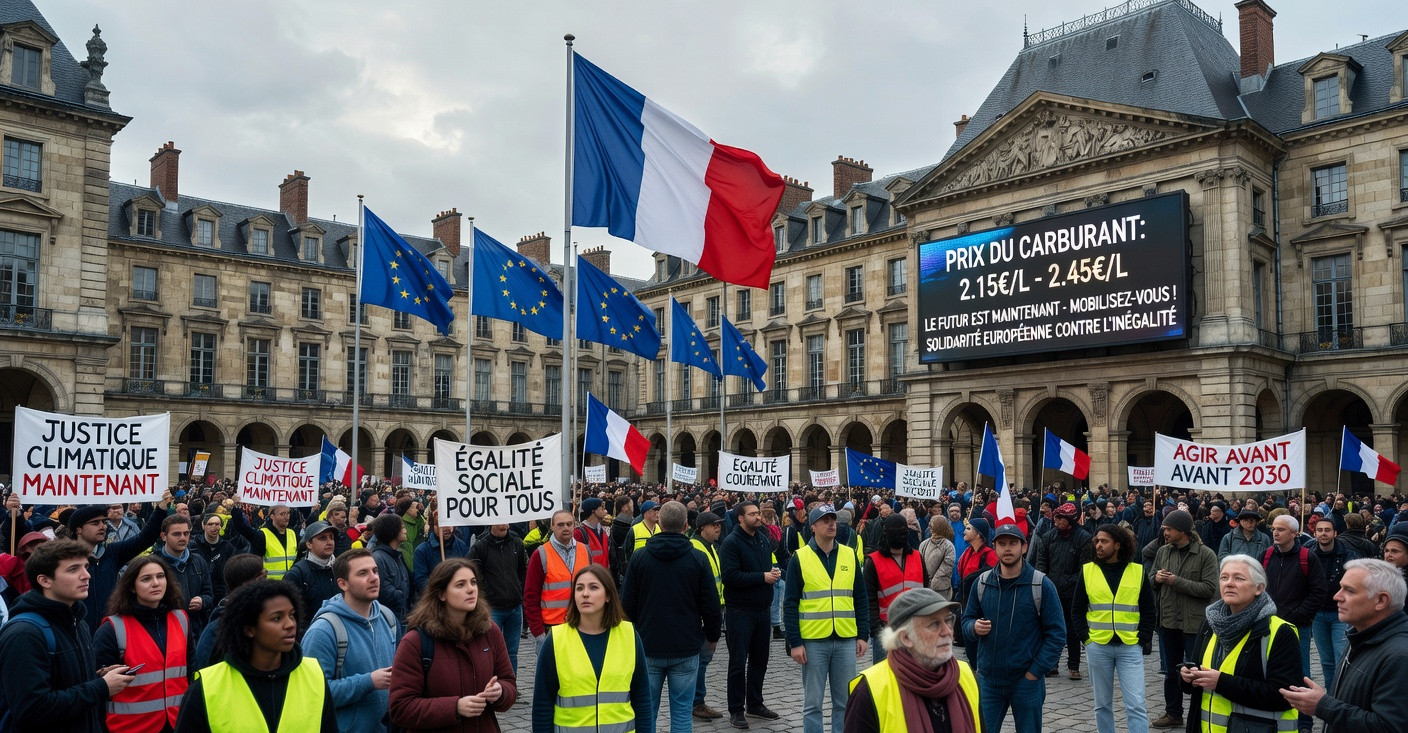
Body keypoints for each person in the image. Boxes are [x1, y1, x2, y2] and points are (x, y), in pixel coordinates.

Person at [0, 539, 135, 732]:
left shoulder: (77, 621)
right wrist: (101, 687)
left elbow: (61, 682)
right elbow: (31, 709)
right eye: (73, 569)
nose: (86, 575)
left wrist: (97, 677)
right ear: (45, 580)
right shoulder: (24, 634)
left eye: (86, 567)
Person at [174, 580, 337, 732]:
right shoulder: (207, 687)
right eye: (277, 618)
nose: (290, 624)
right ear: (249, 630)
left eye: (292, 615)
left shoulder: (313, 674)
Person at [622, 501, 722, 733]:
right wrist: (712, 636)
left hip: (648, 644)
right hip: (685, 645)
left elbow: (627, 604)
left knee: (646, 711)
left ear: (659, 522)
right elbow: (711, 604)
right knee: (681, 712)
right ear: (686, 525)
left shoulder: (639, 557)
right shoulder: (698, 558)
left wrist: (633, 635)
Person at [388, 557, 516, 732]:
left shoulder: (490, 631)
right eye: (460, 585)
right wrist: (455, 707)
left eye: (473, 582)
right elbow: (400, 708)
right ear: (441, 594)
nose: (471, 589)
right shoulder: (415, 641)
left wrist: (500, 692)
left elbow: (508, 682)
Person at [1281, 558, 1408, 731]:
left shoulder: (1400, 656)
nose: (1337, 596)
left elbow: (1390, 727)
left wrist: (1323, 705)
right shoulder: (1361, 636)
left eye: (1349, 590)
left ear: (1381, 601)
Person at [961, 523, 1065, 733]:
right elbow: (965, 621)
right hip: (989, 680)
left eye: (1013, 543)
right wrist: (974, 627)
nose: (1007, 548)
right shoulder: (981, 583)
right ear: (994, 547)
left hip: (1025, 680)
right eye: (1002, 543)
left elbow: (1056, 634)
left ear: (1024, 547)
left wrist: (1035, 672)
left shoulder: (1041, 584)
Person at [1180, 554, 1300, 732]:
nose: (1229, 583)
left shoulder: (1280, 632)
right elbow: (1198, 679)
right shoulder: (1209, 624)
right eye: (1224, 577)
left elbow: (1284, 696)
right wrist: (1187, 677)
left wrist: (1222, 683)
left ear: (1259, 588)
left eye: (1239, 578)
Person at [533, 564, 653, 733]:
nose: (585, 594)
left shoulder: (629, 635)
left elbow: (642, 698)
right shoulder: (556, 640)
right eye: (579, 588)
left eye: (594, 587)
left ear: (608, 596)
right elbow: (542, 704)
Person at [845, 588, 980, 733]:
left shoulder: (966, 675)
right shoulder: (868, 691)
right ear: (906, 638)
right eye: (934, 624)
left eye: (948, 620)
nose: (947, 631)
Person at [784, 506, 869, 733]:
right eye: (824, 520)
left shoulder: (849, 555)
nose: (831, 524)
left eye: (833, 519)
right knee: (813, 704)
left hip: (845, 638)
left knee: (845, 702)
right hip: (813, 641)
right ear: (813, 527)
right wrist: (795, 642)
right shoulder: (800, 558)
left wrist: (863, 634)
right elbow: (790, 603)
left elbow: (860, 598)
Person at [303, 548, 399, 733]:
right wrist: (368, 682)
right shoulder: (324, 631)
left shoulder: (388, 618)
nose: (373, 578)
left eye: (375, 571)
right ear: (343, 583)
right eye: (363, 573)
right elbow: (313, 694)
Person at [1070, 524, 1155, 733]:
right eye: (1096, 541)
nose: (1098, 545)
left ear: (1117, 545)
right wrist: (1086, 640)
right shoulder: (1088, 570)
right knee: (1102, 705)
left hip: (1130, 646)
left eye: (1104, 541)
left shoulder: (1137, 571)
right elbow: (1077, 610)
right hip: (1098, 645)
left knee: (1136, 704)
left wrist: (1142, 638)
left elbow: (1149, 609)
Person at [94, 555, 190, 733]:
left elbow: (190, 672)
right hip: (130, 727)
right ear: (131, 586)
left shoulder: (181, 619)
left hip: (177, 723)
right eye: (146, 579)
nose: (156, 583)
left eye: (160, 576)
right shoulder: (112, 628)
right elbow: (98, 689)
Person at [1149, 509, 1219, 729]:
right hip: (1168, 621)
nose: (1165, 533)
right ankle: (1173, 713)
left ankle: (1198, 713)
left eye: (1168, 529)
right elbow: (1150, 579)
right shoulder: (1163, 552)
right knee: (1171, 672)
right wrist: (1157, 579)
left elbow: (1210, 589)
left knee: (1197, 671)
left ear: (1182, 531)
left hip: (1194, 624)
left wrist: (1176, 581)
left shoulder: (1206, 554)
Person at [65, 496, 173, 631]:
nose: (102, 526)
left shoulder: (111, 553)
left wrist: (160, 509)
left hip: (109, 631)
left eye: (104, 522)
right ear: (78, 529)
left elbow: (144, 539)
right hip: (76, 632)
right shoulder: (64, 559)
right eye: (95, 523)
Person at [719, 500, 782, 729]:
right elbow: (730, 577)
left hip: (762, 609)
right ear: (740, 518)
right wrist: (762, 577)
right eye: (752, 514)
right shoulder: (731, 543)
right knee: (738, 661)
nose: (758, 517)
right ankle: (736, 709)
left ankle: (755, 703)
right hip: (740, 611)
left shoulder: (762, 540)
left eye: (758, 513)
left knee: (760, 659)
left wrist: (772, 574)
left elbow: (764, 569)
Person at [1263, 514, 1326, 731]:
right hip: (1268, 625)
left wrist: (1296, 616)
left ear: (1294, 533)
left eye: (1281, 529)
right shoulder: (1267, 555)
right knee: (1268, 671)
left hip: (1297, 626)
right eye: (1274, 528)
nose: (1275, 532)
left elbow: (1318, 592)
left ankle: (1304, 722)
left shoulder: (1308, 557)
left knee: (1300, 674)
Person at [1034, 501, 1094, 680]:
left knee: (1073, 629)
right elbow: (1041, 561)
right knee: (1052, 628)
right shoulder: (1048, 536)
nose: (1056, 521)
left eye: (1060, 518)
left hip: (1073, 592)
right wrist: (1045, 581)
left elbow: (1085, 568)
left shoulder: (1083, 538)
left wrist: (1069, 581)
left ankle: (1073, 665)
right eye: (1056, 517)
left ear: (1070, 520)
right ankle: (1052, 663)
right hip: (1051, 590)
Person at [864, 513, 926, 664]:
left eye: (902, 531)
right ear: (886, 533)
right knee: (885, 677)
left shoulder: (918, 557)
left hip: (916, 628)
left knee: (916, 676)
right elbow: (869, 599)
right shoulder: (873, 561)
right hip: (886, 629)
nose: (899, 536)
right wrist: (876, 628)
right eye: (895, 532)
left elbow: (926, 591)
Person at [525, 510, 590, 652]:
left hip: (582, 625)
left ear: (575, 525)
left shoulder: (585, 551)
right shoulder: (541, 554)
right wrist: (539, 634)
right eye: (560, 525)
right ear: (552, 526)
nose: (566, 528)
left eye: (569, 524)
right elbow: (530, 597)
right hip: (552, 628)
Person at [467, 522, 527, 673]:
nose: (503, 526)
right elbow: (471, 573)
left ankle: (510, 684)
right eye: (499, 523)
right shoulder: (480, 546)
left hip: (514, 607)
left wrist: (519, 591)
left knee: (512, 652)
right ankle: (492, 684)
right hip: (492, 608)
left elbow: (522, 571)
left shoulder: (517, 543)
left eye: (506, 523)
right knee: (491, 650)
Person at [1308, 517, 1359, 689]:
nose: (1323, 534)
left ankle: (1343, 695)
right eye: (1320, 530)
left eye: (1327, 530)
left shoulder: (1347, 554)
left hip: (1340, 614)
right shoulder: (1308, 553)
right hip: (1318, 614)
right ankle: (1331, 696)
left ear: (1335, 533)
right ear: (1314, 533)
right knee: (1326, 661)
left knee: (1341, 658)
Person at [191, 553, 266, 669]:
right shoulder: (219, 626)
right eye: (263, 577)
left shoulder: (259, 616)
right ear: (248, 584)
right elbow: (203, 667)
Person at [689, 511, 726, 720]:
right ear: (702, 527)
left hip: (714, 608)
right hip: (702, 612)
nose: (718, 528)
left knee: (703, 659)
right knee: (701, 659)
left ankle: (696, 699)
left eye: (719, 525)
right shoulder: (696, 547)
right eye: (714, 525)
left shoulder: (711, 546)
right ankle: (697, 701)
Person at [226, 503, 301, 581]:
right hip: (269, 585)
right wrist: (236, 508)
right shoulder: (262, 534)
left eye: (288, 513)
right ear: (272, 516)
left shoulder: (292, 533)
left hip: (291, 584)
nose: (287, 517)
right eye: (283, 514)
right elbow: (242, 527)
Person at [413, 512, 470, 595]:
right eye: (441, 525)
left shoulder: (461, 545)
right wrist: (443, 591)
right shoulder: (422, 551)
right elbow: (421, 581)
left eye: (449, 523)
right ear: (433, 526)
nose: (446, 528)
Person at [370, 513, 412, 621]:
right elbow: (385, 592)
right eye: (402, 527)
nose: (405, 530)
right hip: (389, 618)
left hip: (399, 615)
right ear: (393, 531)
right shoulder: (378, 559)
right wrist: (402, 596)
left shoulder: (395, 555)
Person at [191, 513, 234, 604]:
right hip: (199, 594)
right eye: (210, 524)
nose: (214, 527)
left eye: (217, 524)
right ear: (204, 526)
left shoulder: (227, 547)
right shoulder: (195, 545)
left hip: (221, 594)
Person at [918, 515, 956, 600]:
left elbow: (946, 568)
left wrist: (933, 583)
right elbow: (919, 564)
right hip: (925, 588)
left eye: (933, 525)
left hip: (941, 590)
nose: (930, 528)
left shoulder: (948, 546)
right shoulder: (924, 544)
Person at [576, 497, 613, 569]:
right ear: (593, 511)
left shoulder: (603, 531)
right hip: (590, 576)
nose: (605, 511)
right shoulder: (579, 533)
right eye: (602, 508)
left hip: (603, 575)